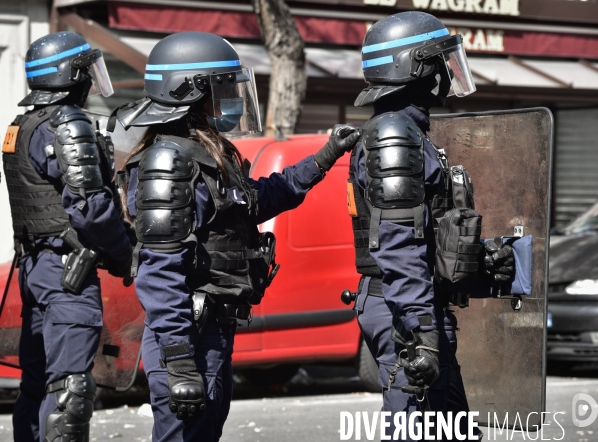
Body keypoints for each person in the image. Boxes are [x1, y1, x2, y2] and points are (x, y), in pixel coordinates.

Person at [114, 31, 360, 442]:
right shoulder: (169, 161)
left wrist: (323, 158)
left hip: (212, 333)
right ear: (189, 92)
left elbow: (259, 199)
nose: (230, 99)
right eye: (222, 88)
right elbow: (158, 272)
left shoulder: (209, 154)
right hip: (188, 339)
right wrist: (179, 362)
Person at [347, 11, 514, 440]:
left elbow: (426, 233)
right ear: (415, 67)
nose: (447, 72)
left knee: (452, 428)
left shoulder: (410, 132)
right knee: (416, 431)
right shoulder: (394, 137)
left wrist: (479, 261)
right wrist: (421, 331)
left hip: (414, 304)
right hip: (405, 309)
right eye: (441, 61)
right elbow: (399, 247)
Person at [2, 32, 132, 442]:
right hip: (66, 274)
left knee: (38, 385)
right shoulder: (67, 123)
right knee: (69, 391)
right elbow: (90, 208)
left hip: (36, 267)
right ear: (69, 75)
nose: (92, 81)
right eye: (87, 71)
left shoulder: (20, 123)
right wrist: (125, 253)